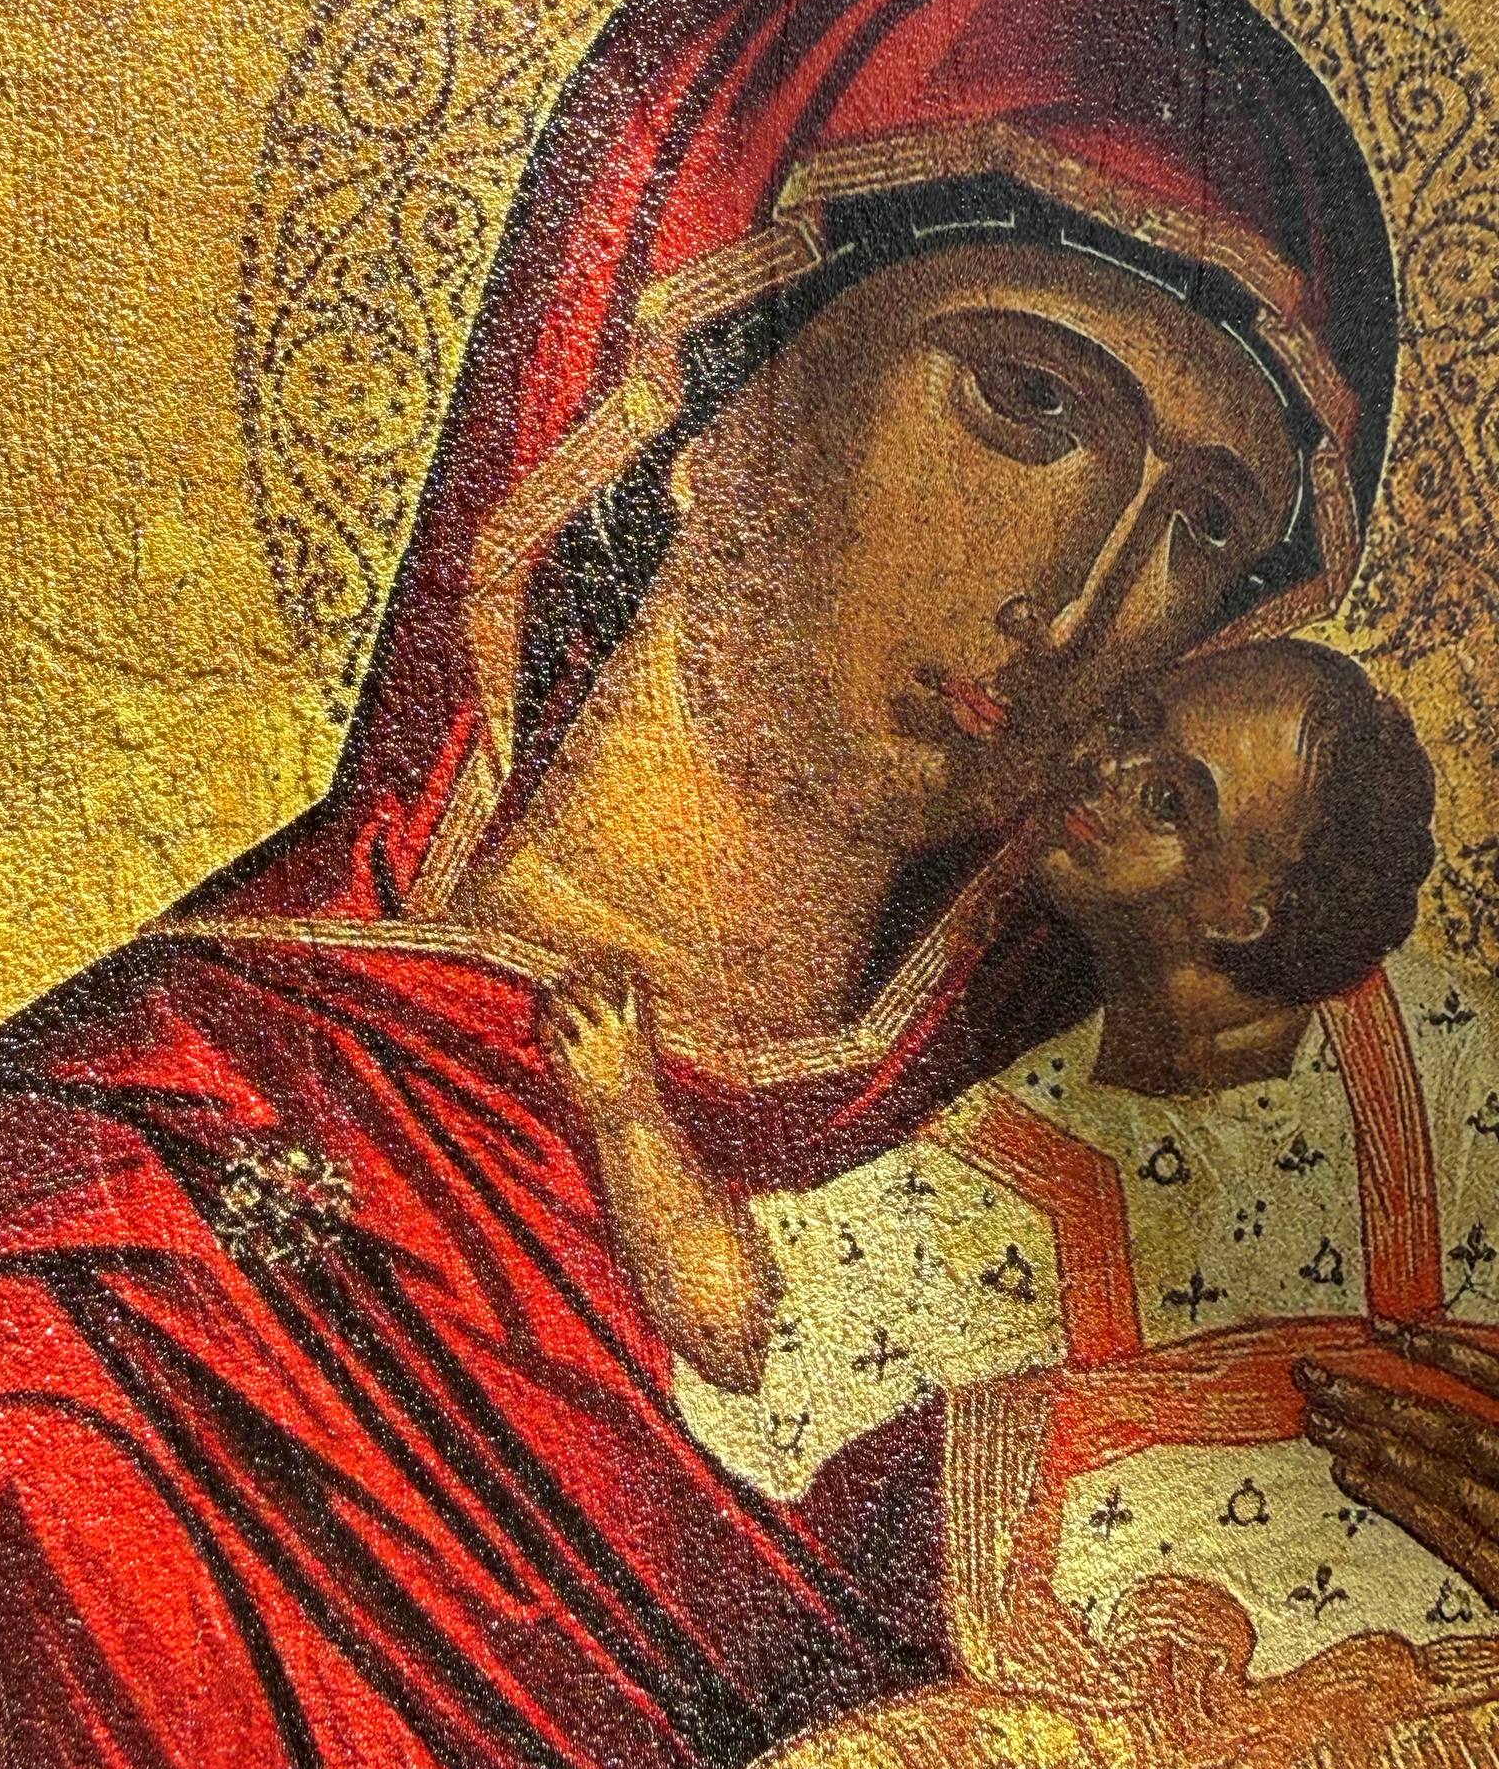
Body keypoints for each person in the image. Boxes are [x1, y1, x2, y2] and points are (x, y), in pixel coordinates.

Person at [0, 0, 1483, 1769]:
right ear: (696, 365)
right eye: (1026, 401)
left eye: (1207, 525)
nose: (1085, 595)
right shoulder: (100, 1266)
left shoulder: (1166, 1170)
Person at [575, 637, 1496, 1683]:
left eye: (1170, 802)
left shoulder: (1452, 1054)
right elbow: (752, 1325)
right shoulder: (1028, 1158)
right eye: (1132, 725)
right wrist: (626, 1107)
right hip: (1152, 1729)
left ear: (1248, 909)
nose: (1107, 774)